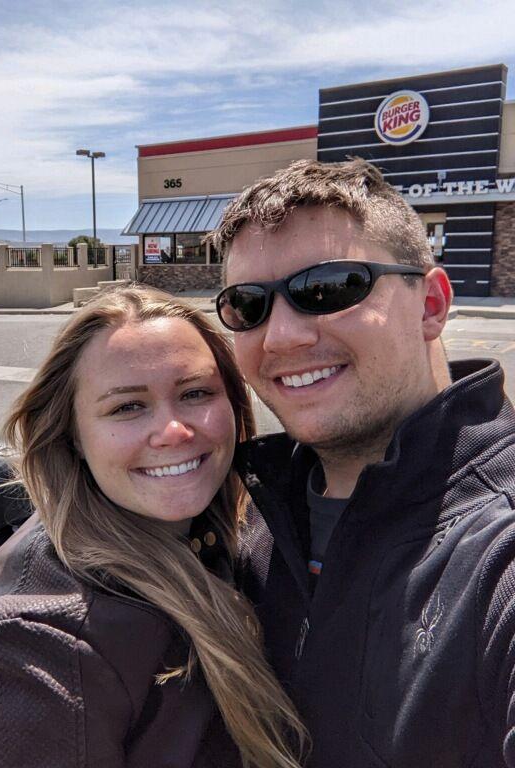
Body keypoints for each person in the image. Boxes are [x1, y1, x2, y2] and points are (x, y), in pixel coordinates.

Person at [0, 286, 306, 768]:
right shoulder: (27, 654)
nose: (174, 431)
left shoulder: (227, 533)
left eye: (196, 393)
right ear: (73, 436)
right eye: (127, 407)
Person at [207, 157, 515, 768]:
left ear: (430, 303)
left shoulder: (497, 549)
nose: (282, 337)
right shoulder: (241, 510)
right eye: (248, 305)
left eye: (329, 288)